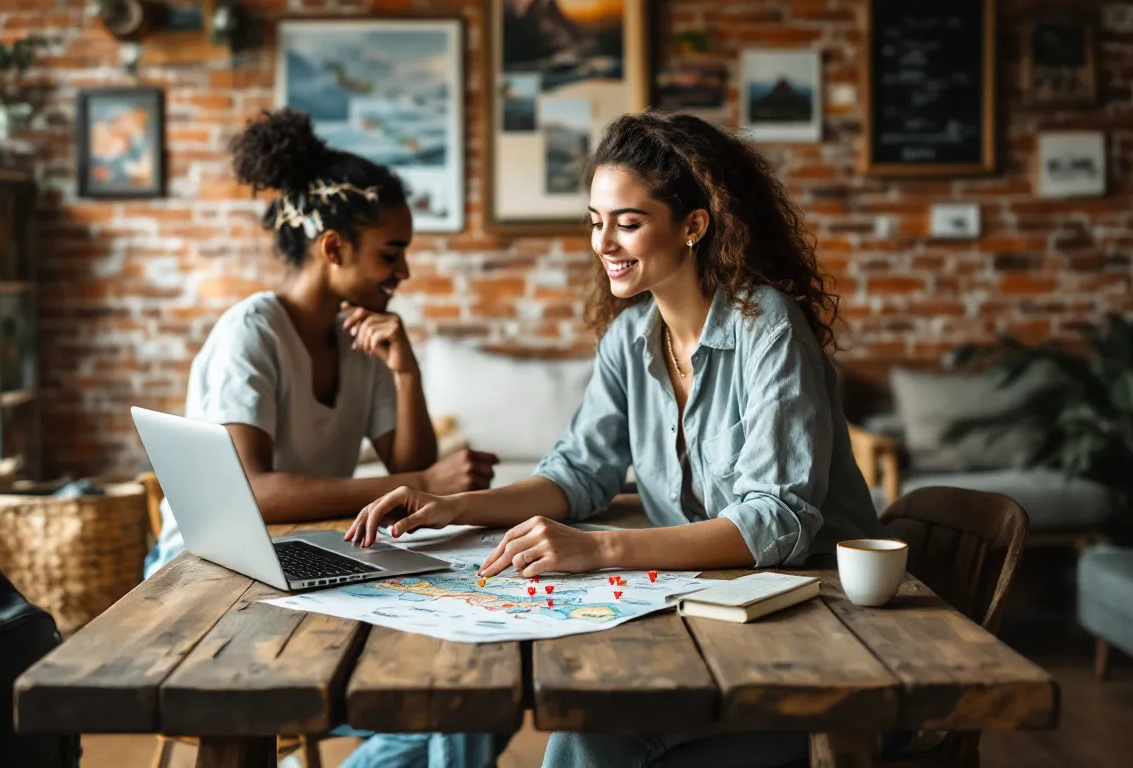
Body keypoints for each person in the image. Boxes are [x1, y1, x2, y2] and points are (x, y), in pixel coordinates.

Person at [346, 111, 893, 767]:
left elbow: (778, 522)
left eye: (627, 222)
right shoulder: (629, 340)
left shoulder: (766, 325)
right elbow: (578, 474)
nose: (602, 241)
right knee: (506, 707)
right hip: (706, 621)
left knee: (585, 737)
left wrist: (598, 548)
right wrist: (449, 506)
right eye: (594, 220)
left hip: (815, 644)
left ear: (693, 226)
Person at [143, 107, 509, 768]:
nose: (402, 274)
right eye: (390, 255)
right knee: (453, 702)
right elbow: (250, 493)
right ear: (333, 248)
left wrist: (406, 369)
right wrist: (418, 486)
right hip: (212, 572)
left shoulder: (361, 335)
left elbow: (409, 460)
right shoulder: (251, 332)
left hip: (309, 556)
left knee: (477, 689)